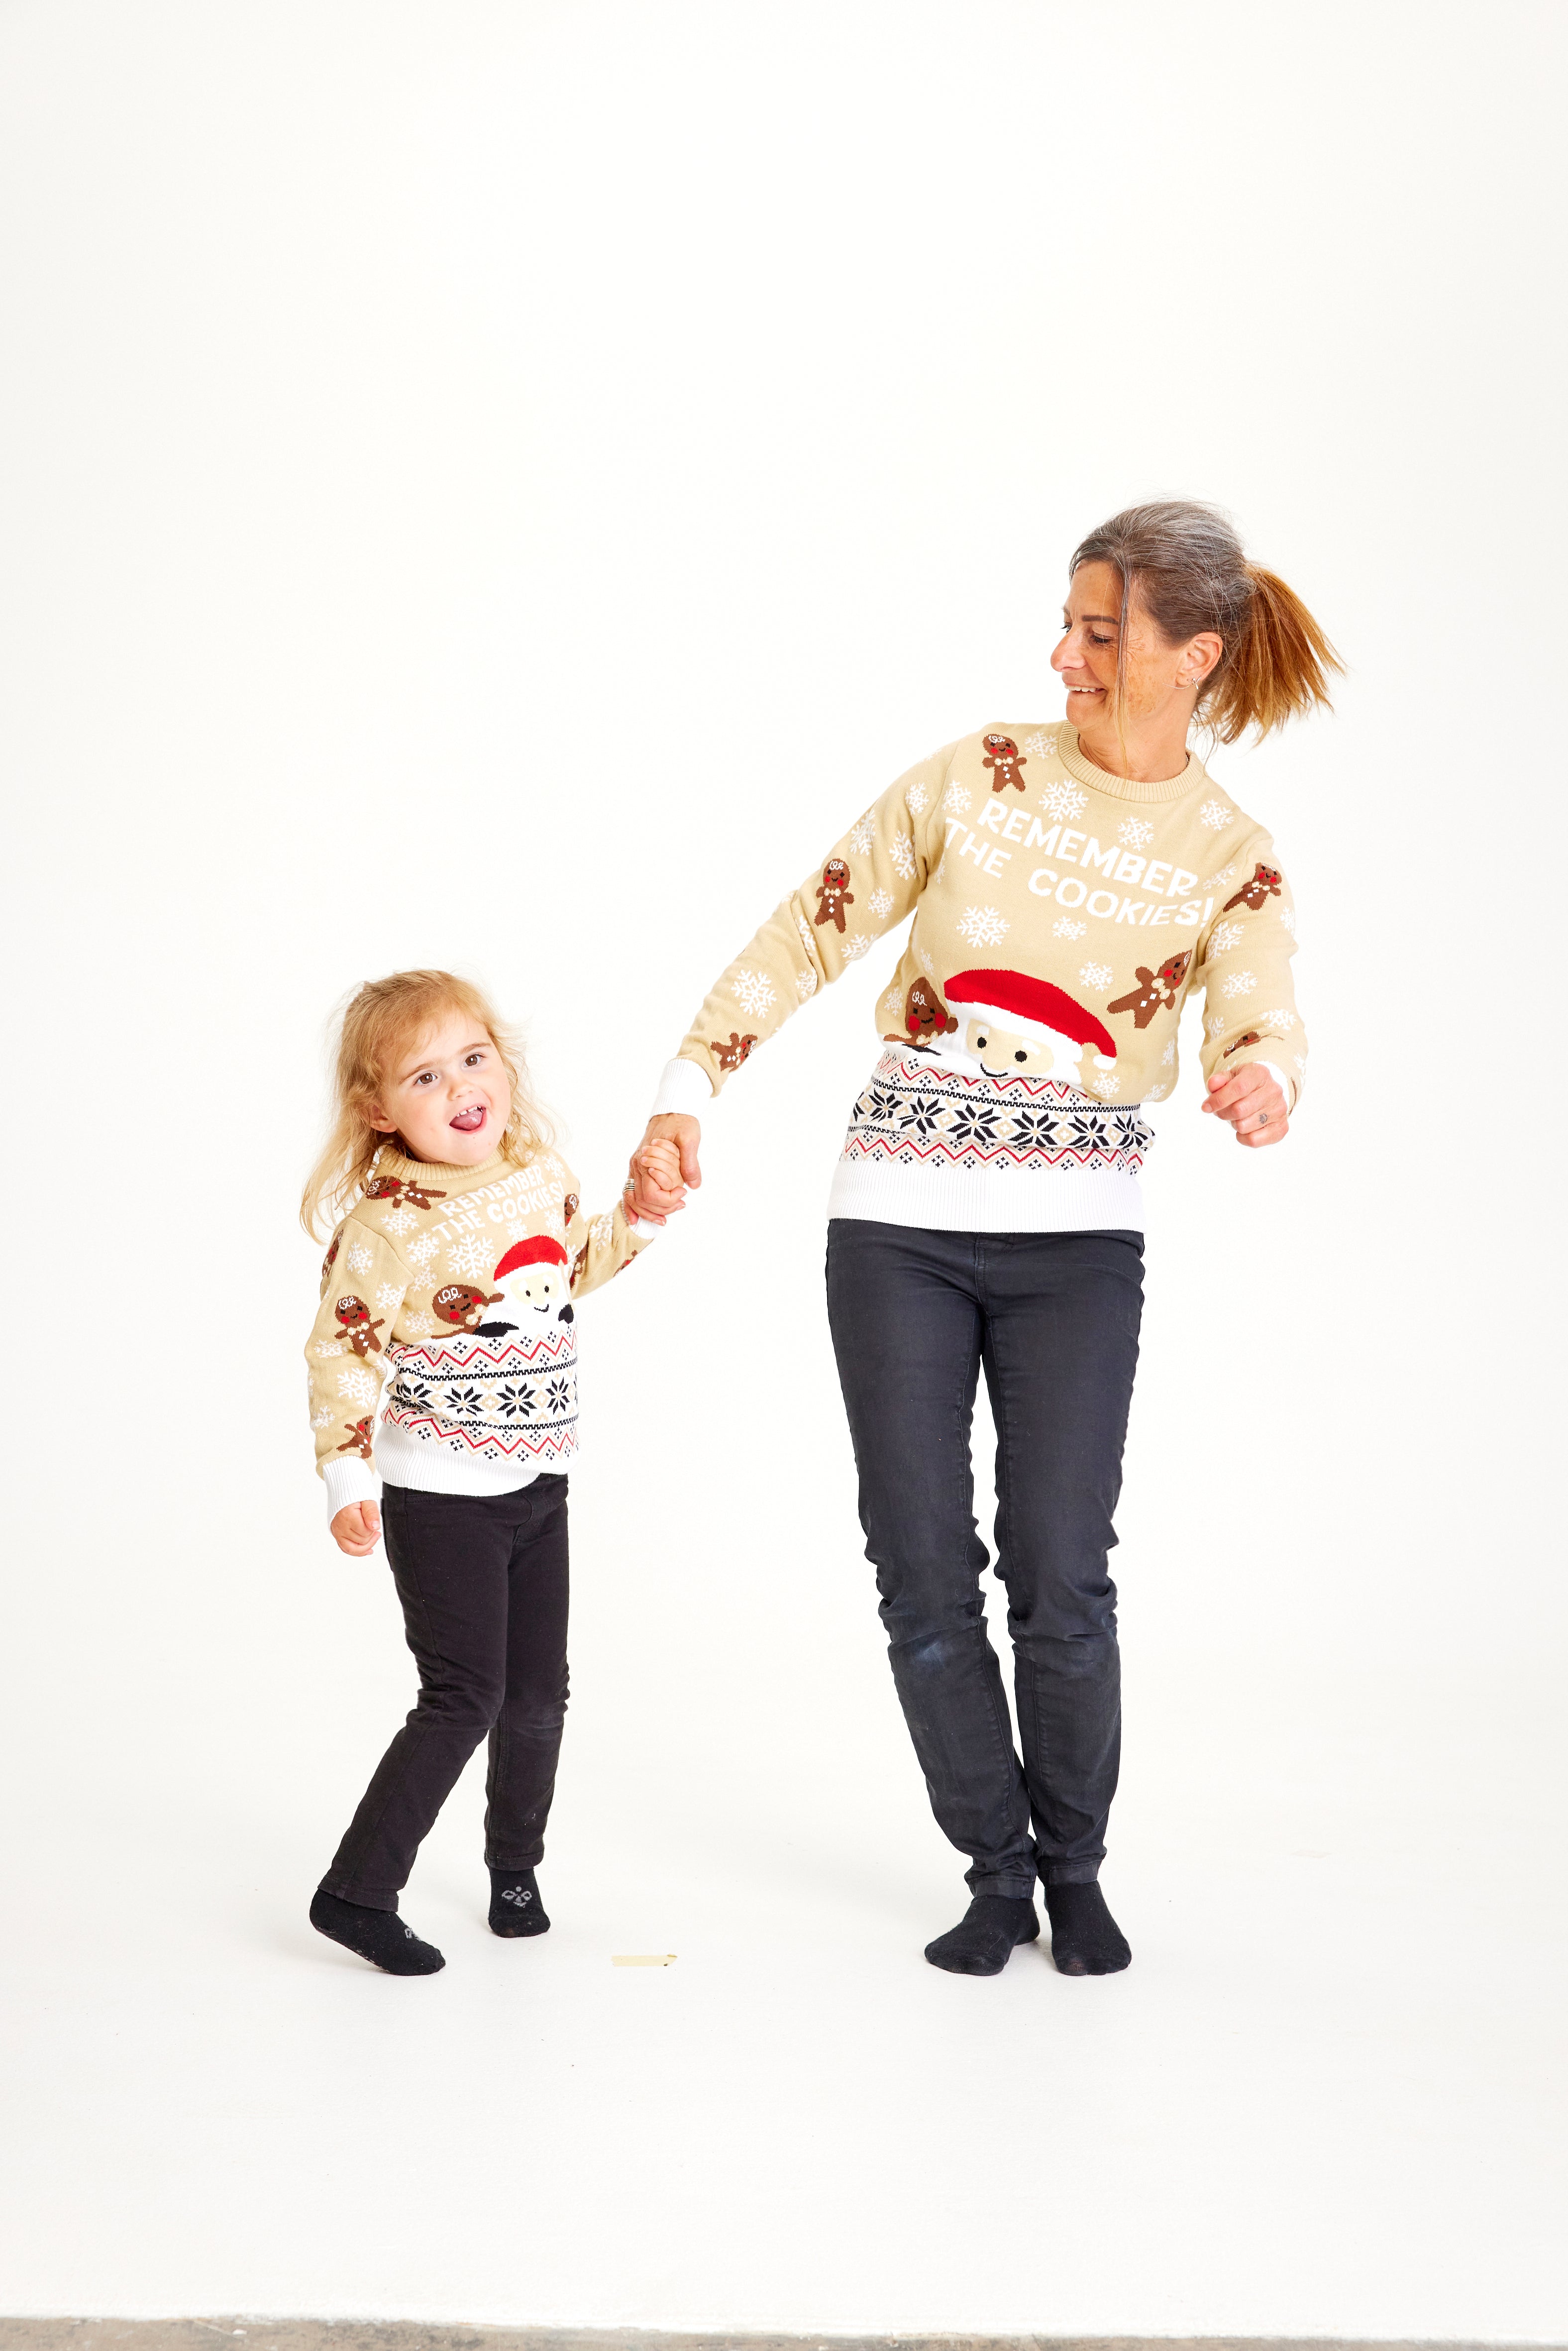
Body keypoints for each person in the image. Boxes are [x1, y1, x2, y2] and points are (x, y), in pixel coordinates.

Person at [628, 502, 1336, 1978]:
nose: (1063, 655)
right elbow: (815, 923)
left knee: (1061, 1573)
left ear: (1192, 655)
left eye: (1099, 632)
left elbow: (1259, 1002)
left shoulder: (1231, 852)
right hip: (895, 1227)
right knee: (921, 1564)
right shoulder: (981, 774)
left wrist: (1264, 1072)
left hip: (1077, 1250)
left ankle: (1075, 1870)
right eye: (1068, 624)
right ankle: (996, 1873)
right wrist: (690, 1086)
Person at [301, 967, 682, 1976]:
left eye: (473, 1059)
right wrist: (348, 1476)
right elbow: (342, 1349)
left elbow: (571, 1271)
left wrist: (640, 1215)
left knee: (540, 1695)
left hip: (540, 1483)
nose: (460, 1086)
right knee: (463, 1695)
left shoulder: (536, 1173)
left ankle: (515, 1868)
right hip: (441, 1498)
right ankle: (355, 1892)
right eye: (424, 1077)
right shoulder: (389, 1223)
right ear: (379, 1110)